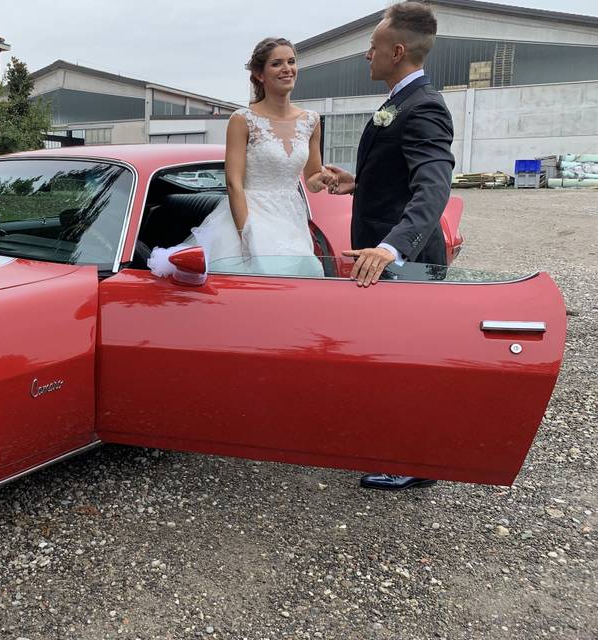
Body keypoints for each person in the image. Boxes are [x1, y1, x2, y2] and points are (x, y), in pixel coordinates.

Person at [322, 1, 455, 491]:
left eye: (373, 47)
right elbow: (401, 175)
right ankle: (398, 446)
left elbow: (433, 188)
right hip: (386, 257)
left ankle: (417, 462)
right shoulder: (401, 99)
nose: (366, 55)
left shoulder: (425, 107)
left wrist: (392, 249)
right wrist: (358, 184)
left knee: (410, 360)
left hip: (407, 264)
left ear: (397, 51)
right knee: (391, 356)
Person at [148, 37, 333, 278]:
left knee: (299, 283)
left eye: (291, 61)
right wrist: (246, 234)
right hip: (250, 213)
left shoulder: (311, 120)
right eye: (277, 64)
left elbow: (311, 179)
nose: (287, 69)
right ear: (259, 74)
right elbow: (234, 183)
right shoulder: (242, 119)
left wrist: (326, 178)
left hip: (291, 219)